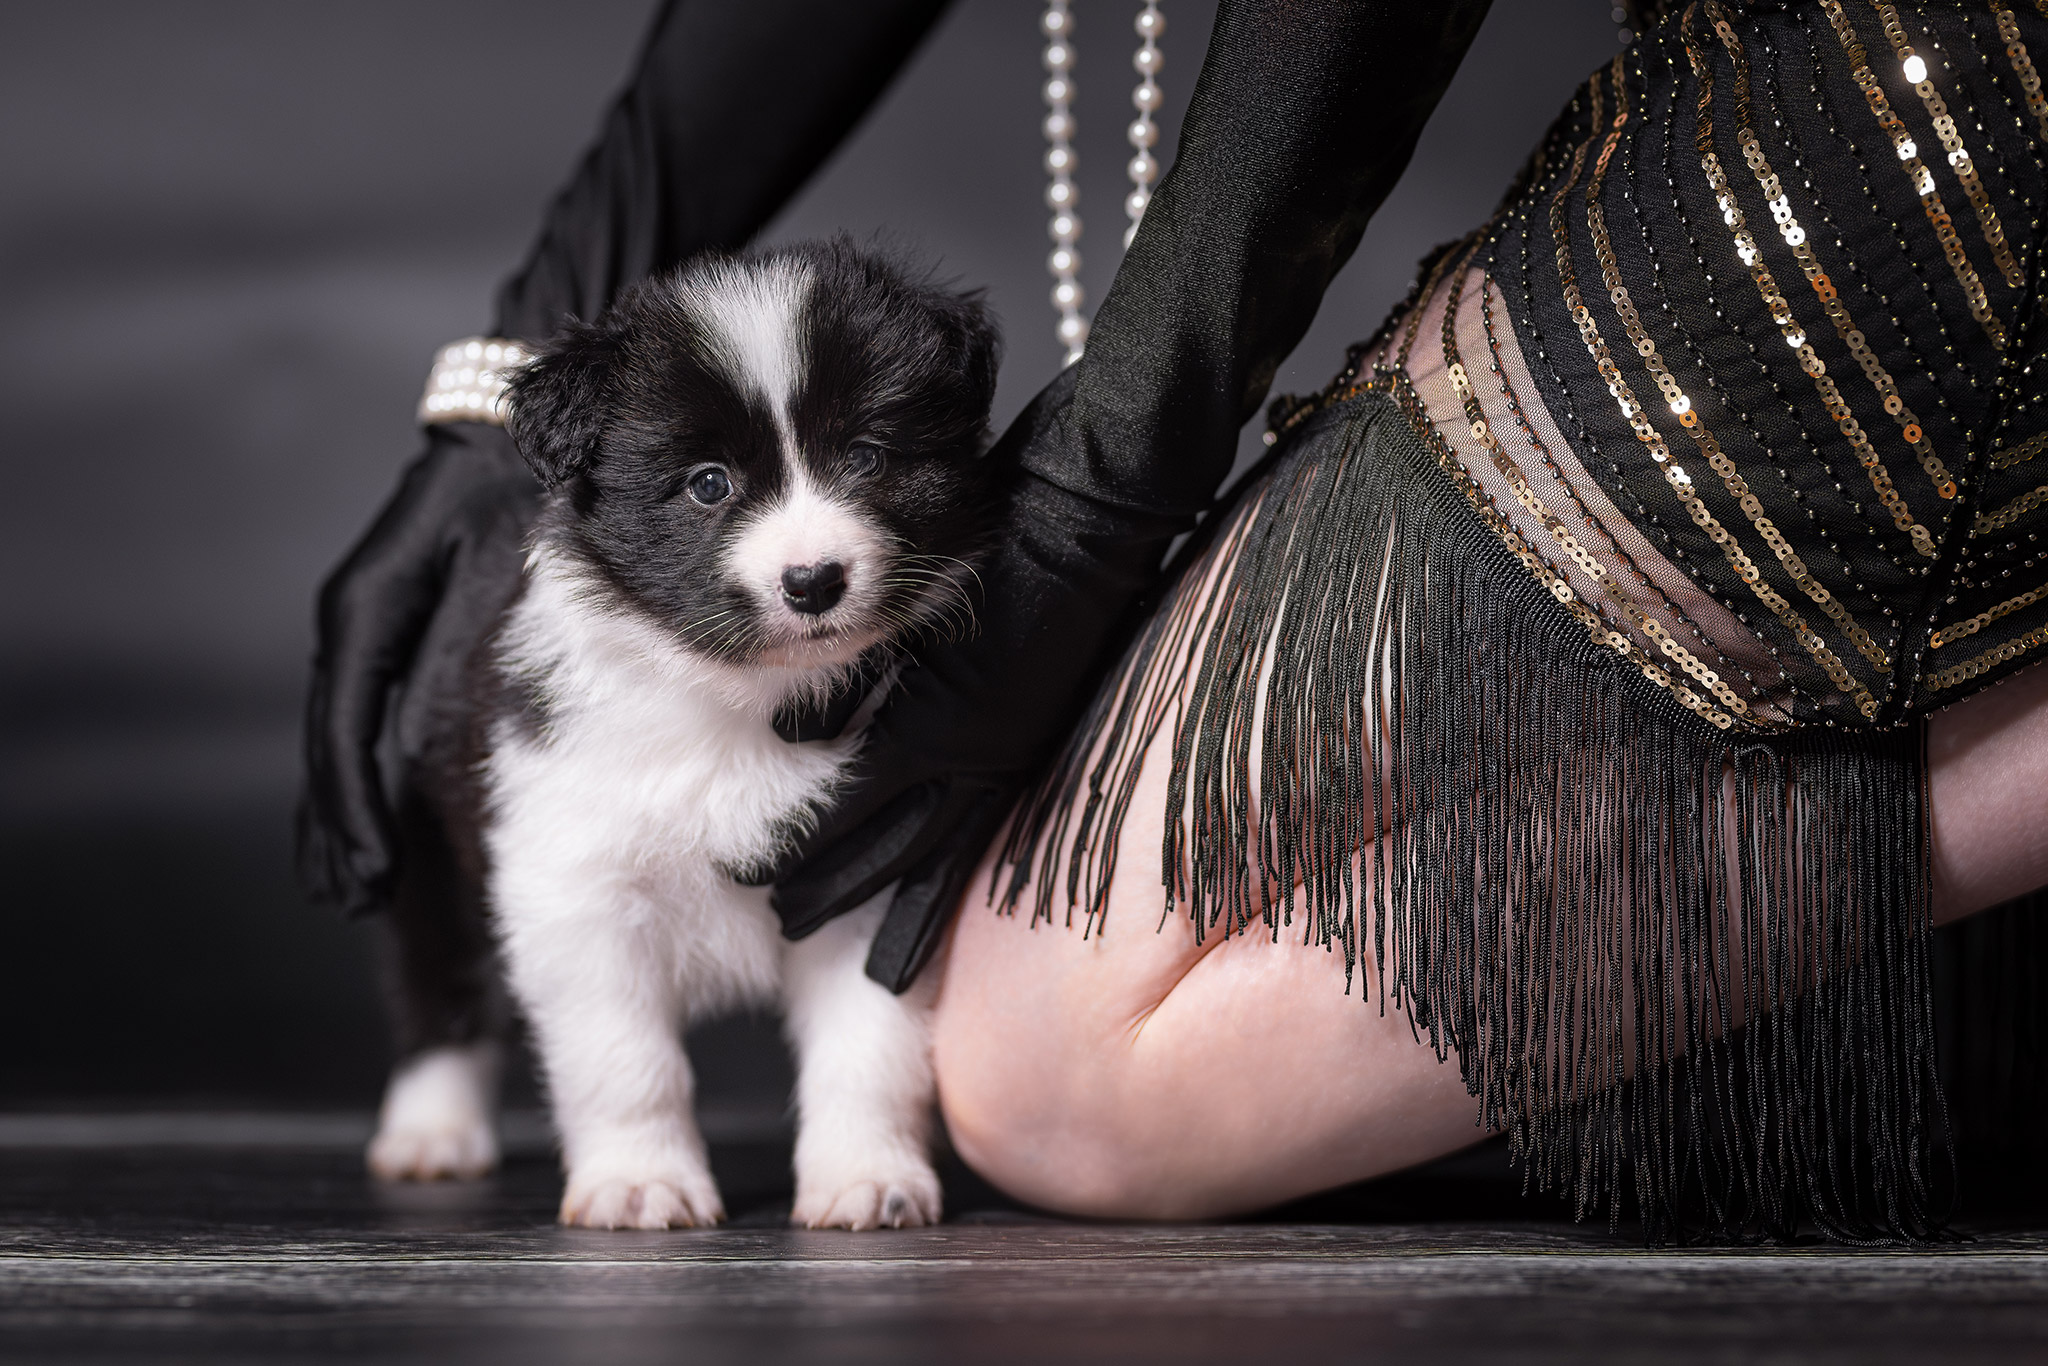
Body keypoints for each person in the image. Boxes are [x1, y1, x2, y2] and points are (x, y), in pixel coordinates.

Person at [300, 0, 2048, 1243]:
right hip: (1741, 91)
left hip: (1926, 92)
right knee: (1055, 1055)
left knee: (1066, 1078)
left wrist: (1099, 483)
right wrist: (507, 374)